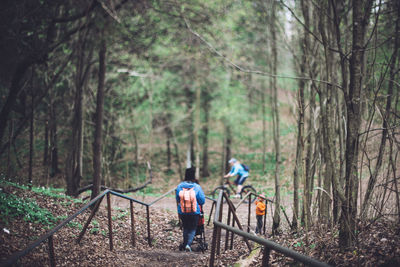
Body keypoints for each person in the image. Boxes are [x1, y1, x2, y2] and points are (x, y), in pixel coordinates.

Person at [176, 167, 205, 252]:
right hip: (194, 211)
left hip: (183, 211)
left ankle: (185, 244)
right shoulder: (197, 187)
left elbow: (178, 199)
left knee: (186, 228)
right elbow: (202, 201)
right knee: (192, 228)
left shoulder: (180, 186)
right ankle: (188, 245)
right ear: (194, 176)